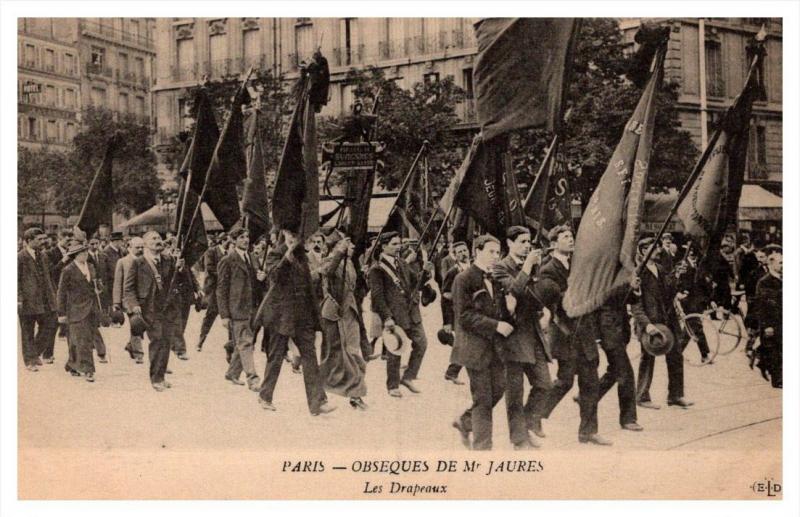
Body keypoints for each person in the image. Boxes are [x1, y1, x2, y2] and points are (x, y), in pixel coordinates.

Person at [537, 225, 611, 445]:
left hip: (585, 333)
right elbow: (550, 296)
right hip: (565, 333)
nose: (571, 240)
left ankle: (588, 431)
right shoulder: (548, 269)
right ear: (554, 243)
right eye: (565, 237)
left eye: (572, 236)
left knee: (590, 383)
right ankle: (534, 416)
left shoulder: (578, 266)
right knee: (565, 381)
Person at [256, 229, 335, 416]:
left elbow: (309, 284)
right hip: (281, 316)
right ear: (284, 233)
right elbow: (274, 276)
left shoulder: (303, 255)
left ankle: (317, 403)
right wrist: (288, 255)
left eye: (298, 235)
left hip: (303, 315)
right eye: (291, 234)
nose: (296, 238)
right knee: (276, 356)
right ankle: (265, 395)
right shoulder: (276, 253)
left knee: (310, 357)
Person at [491, 226, 552, 448]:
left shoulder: (532, 266)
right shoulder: (500, 267)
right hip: (512, 336)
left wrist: (545, 307)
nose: (527, 246)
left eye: (529, 242)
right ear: (510, 243)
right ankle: (518, 439)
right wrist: (527, 268)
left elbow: (536, 296)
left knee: (545, 384)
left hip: (533, 333)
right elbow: (514, 290)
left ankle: (526, 425)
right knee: (515, 393)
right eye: (522, 242)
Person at [451, 235, 512, 450]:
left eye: (498, 252)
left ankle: (466, 422)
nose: (496, 256)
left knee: (499, 389)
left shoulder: (495, 278)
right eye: (491, 252)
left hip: (495, 348)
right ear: (477, 251)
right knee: (483, 398)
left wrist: (508, 312)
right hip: (474, 348)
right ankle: (483, 448)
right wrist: (496, 325)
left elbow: (499, 309)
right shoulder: (464, 279)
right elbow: (464, 316)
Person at [367, 232, 432, 397]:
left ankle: (409, 376)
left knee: (422, 343)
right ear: (384, 246)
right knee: (394, 350)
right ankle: (393, 385)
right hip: (394, 315)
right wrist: (387, 317)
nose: (399, 247)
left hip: (411, 312)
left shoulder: (402, 263)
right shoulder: (377, 269)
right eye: (394, 244)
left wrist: (426, 272)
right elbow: (378, 296)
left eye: (399, 244)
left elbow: (415, 281)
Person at [632, 237, 693, 410]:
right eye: (655, 247)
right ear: (644, 250)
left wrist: (676, 276)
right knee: (647, 358)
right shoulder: (638, 272)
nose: (659, 250)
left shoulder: (660, 268)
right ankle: (642, 396)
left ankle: (675, 395)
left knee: (676, 356)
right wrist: (646, 325)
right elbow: (636, 304)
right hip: (651, 323)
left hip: (668, 321)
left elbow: (669, 292)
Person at [123, 231, 184, 391]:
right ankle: (156, 378)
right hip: (149, 309)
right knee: (157, 340)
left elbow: (176, 282)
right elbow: (128, 288)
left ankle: (161, 376)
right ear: (145, 244)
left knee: (166, 341)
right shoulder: (138, 263)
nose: (158, 241)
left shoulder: (169, 260)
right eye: (154, 239)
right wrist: (134, 304)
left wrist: (179, 269)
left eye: (159, 238)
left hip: (168, 308)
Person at [318, 230, 368, 410]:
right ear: (336, 246)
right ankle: (319, 387)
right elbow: (329, 272)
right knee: (334, 354)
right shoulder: (327, 261)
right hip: (334, 313)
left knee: (352, 352)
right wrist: (340, 252)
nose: (352, 246)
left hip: (350, 310)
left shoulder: (350, 264)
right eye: (347, 243)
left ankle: (355, 393)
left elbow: (355, 288)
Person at [217, 229, 265, 391]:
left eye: (247, 237)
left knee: (243, 342)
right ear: (233, 240)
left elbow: (256, 282)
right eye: (241, 237)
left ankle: (232, 373)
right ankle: (253, 378)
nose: (246, 240)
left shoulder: (252, 257)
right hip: (237, 309)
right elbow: (221, 289)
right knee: (245, 342)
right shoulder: (228, 260)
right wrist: (224, 314)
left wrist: (261, 278)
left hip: (253, 307)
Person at [57, 242, 106, 382]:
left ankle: (72, 365)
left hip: (91, 308)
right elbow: (61, 292)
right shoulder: (68, 270)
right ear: (75, 256)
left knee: (79, 339)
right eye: (81, 253)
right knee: (81, 339)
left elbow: (96, 285)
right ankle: (88, 369)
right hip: (75, 309)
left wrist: (99, 288)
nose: (85, 255)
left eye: (85, 252)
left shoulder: (90, 266)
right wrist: (61, 313)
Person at [18, 227, 58, 371]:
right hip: (27, 300)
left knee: (50, 324)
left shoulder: (43, 256)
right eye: (39, 239)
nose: (43, 241)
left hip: (45, 299)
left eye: (43, 239)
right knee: (27, 330)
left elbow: (50, 275)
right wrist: (18, 298)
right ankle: (30, 361)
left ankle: (33, 353)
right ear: (29, 241)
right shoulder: (20, 257)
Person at [752, 246, 782, 388]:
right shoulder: (765, 281)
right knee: (775, 350)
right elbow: (762, 305)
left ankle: (761, 362)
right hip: (770, 322)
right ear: (771, 264)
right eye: (780, 263)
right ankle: (777, 380)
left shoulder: (783, 279)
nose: (783, 265)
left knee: (778, 349)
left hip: (781, 320)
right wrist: (767, 325)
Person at [441, 241, 470, 385]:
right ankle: (452, 372)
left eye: (465, 250)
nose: (463, 253)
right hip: (459, 313)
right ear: (455, 255)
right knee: (465, 343)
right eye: (459, 252)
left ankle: (452, 372)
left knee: (466, 344)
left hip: (474, 312)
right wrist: (446, 321)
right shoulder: (452, 272)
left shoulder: (475, 268)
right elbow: (445, 296)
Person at [114, 236, 145, 363]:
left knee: (143, 324)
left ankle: (131, 345)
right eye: (137, 247)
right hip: (129, 299)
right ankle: (138, 353)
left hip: (144, 299)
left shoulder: (146, 261)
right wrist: (116, 302)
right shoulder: (122, 262)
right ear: (129, 247)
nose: (140, 249)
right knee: (136, 323)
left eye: (142, 247)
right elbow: (117, 283)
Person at [196, 233, 229, 352]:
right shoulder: (211, 252)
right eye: (229, 242)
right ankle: (201, 340)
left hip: (227, 290)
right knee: (210, 315)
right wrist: (225, 275)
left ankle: (231, 343)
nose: (231, 244)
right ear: (222, 241)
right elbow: (209, 268)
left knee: (230, 316)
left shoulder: (231, 252)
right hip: (214, 289)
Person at [100, 232, 125, 319]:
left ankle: (119, 318)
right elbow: (103, 272)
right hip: (111, 283)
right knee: (112, 303)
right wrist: (105, 286)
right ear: (116, 241)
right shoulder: (105, 252)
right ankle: (114, 319)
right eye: (121, 241)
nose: (122, 243)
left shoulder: (121, 251)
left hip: (120, 281)